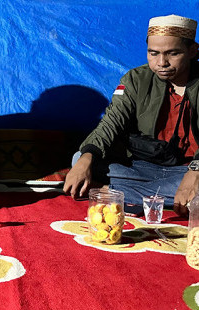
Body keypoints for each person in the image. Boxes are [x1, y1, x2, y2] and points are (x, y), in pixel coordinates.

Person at [64, 14, 199, 215]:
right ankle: (167, 197)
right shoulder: (136, 79)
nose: (162, 62)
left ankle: (112, 193)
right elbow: (111, 124)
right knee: (81, 158)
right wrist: (87, 156)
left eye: (173, 53)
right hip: (143, 167)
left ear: (192, 51)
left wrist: (195, 171)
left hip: (189, 169)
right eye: (153, 53)